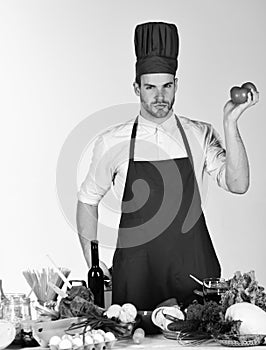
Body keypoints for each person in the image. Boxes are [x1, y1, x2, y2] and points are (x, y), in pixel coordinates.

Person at [76, 22, 259, 310]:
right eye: (150, 87)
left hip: (194, 280)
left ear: (176, 84)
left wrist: (230, 122)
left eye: (167, 86)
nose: (159, 97)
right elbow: (87, 200)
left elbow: (238, 184)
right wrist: (93, 262)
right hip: (137, 280)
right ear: (137, 87)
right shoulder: (112, 142)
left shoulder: (198, 134)